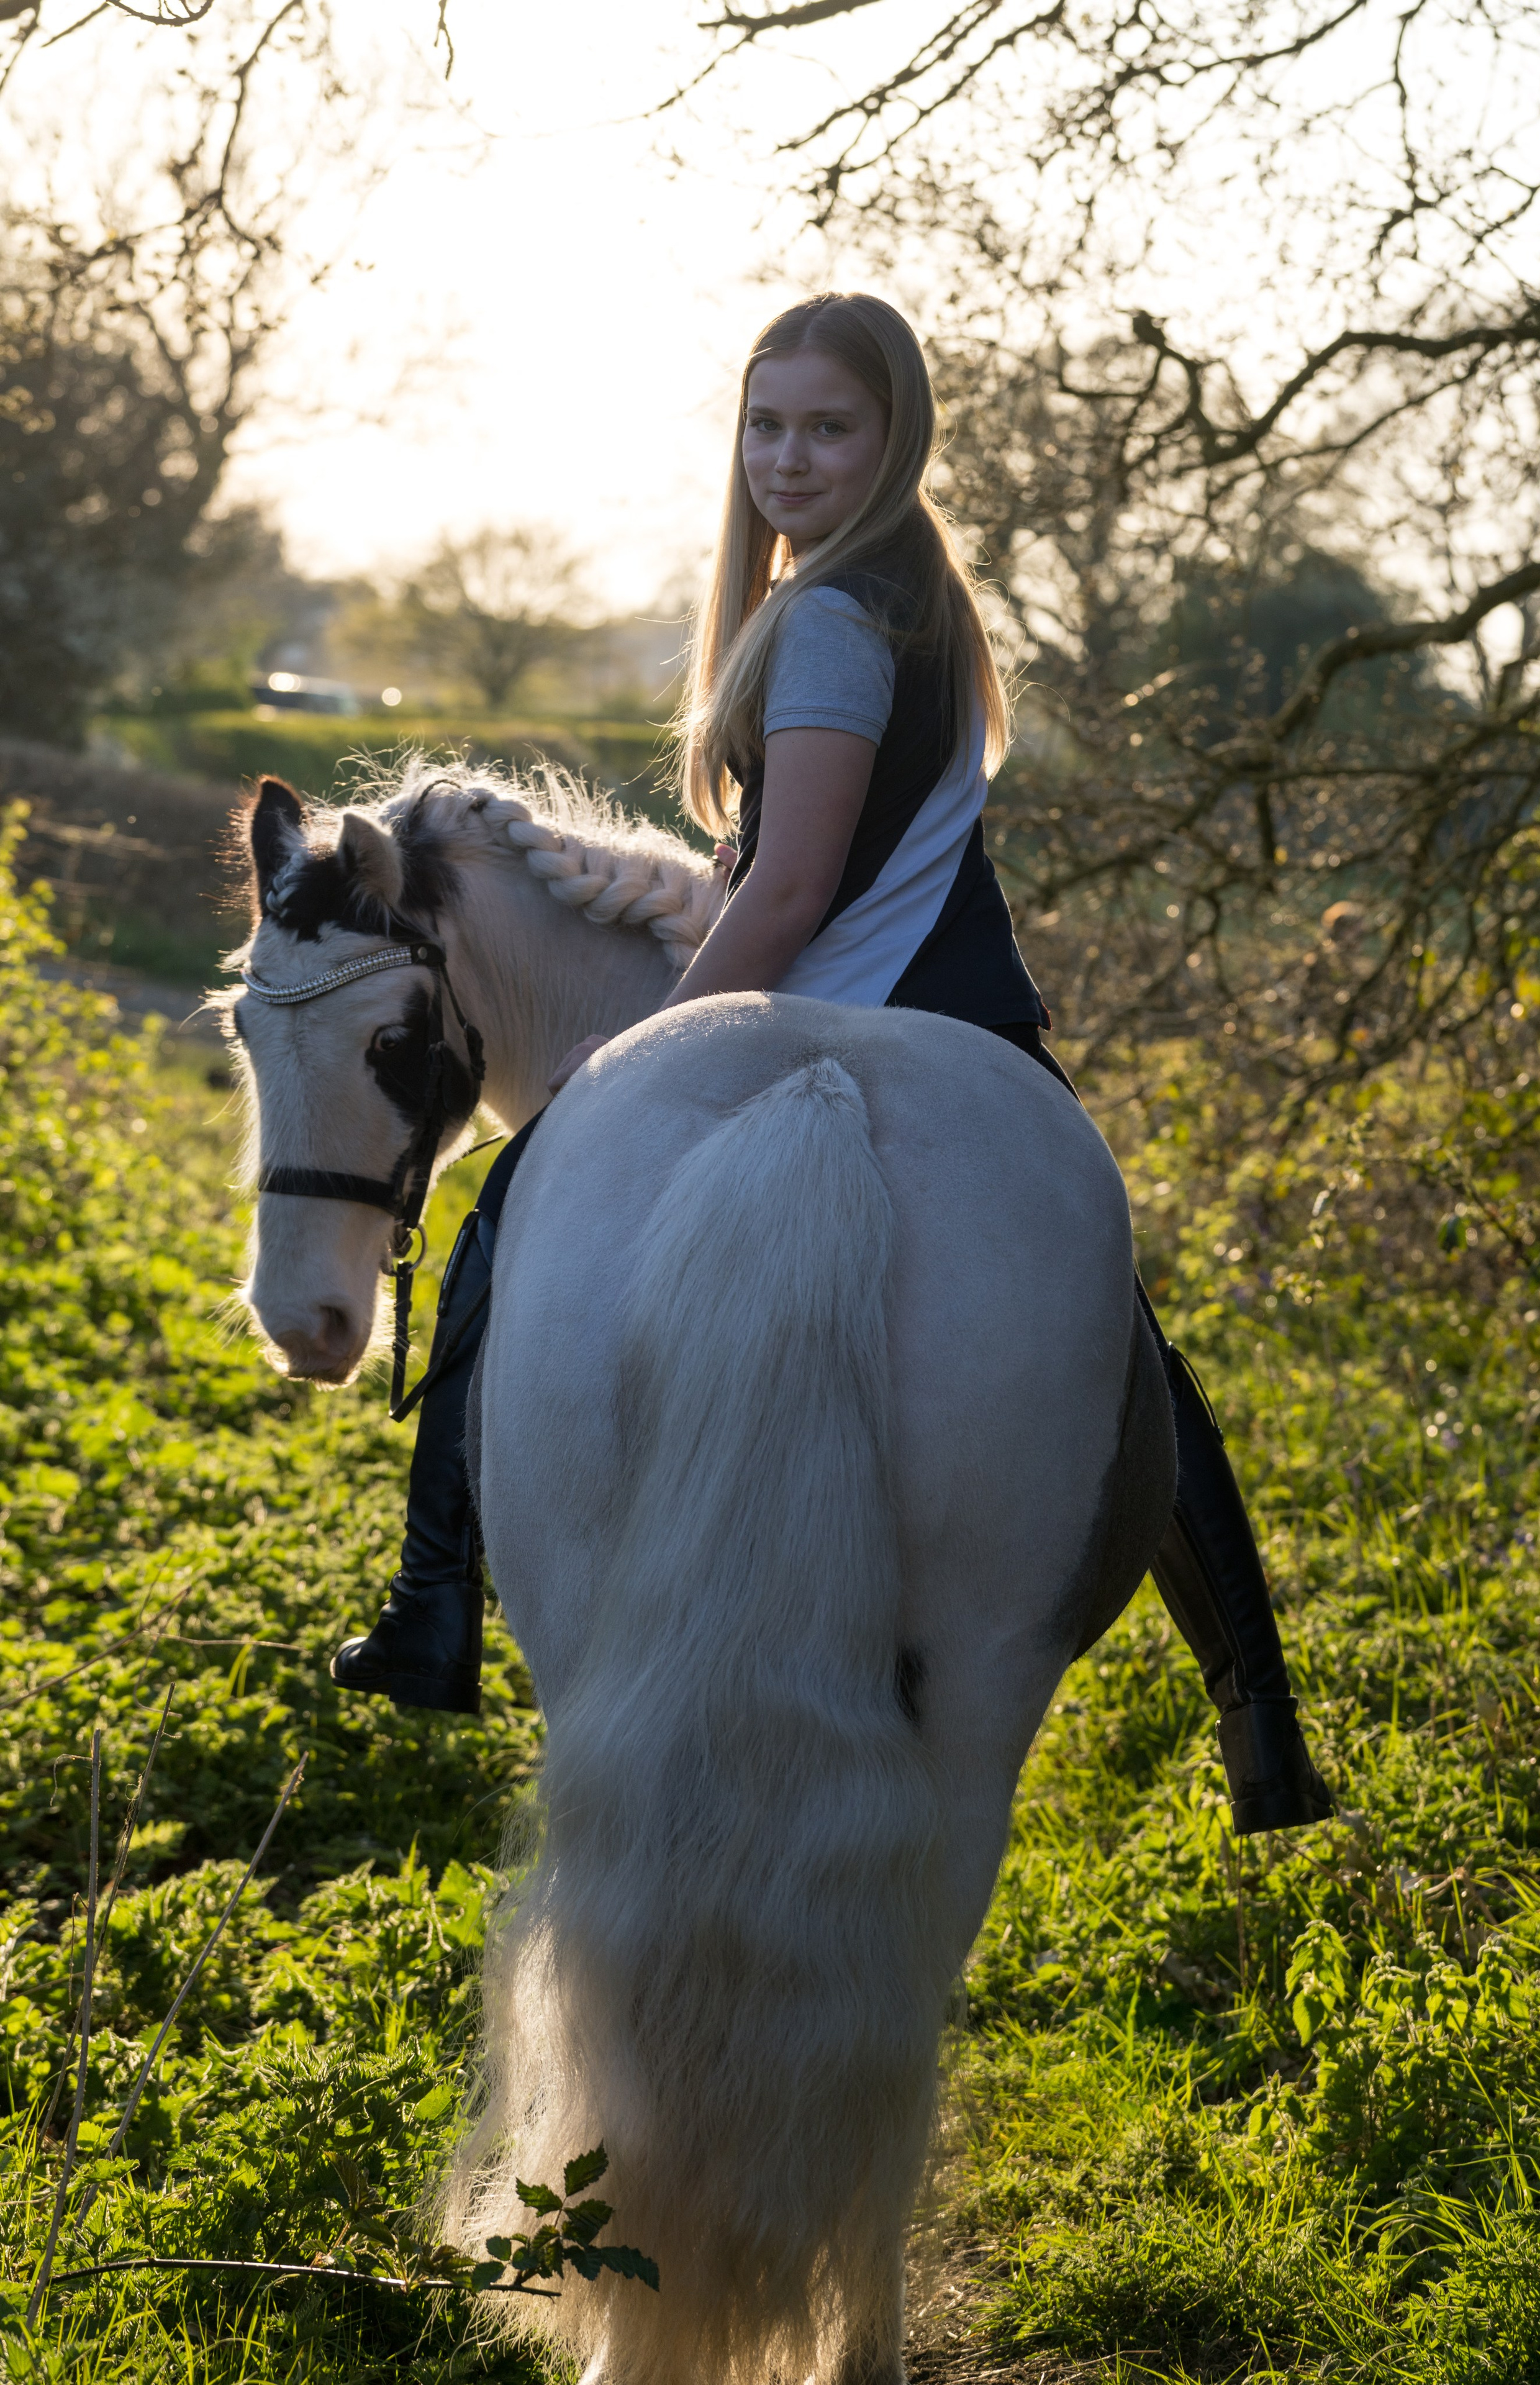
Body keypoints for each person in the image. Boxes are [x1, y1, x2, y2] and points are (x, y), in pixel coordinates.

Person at [331, 293, 1333, 1836]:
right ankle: (1257, 1714)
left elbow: (788, 894)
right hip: (977, 1028)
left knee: (509, 1209)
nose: (787, 459)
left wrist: (637, 1063)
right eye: (765, 425)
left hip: (851, 1005)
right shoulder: (920, 598)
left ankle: (432, 1605)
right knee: (1127, 1352)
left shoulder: (821, 618)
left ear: (893, 440)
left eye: (827, 428)